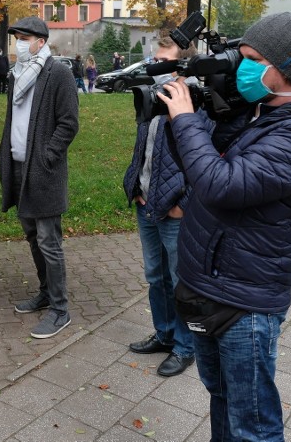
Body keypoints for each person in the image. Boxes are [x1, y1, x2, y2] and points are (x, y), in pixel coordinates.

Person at [156, 12, 291, 441]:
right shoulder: (259, 114)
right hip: (211, 287)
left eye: (251, 58)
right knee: (222, 397)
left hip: (245, 302)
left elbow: (220, 185)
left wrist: (185, 119)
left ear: (284, 68)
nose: (241, 67)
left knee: (254, 425)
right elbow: (199, 165)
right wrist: (196, 112)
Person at [123, 37, 204, 378]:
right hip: (147, 203)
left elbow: (204, 161)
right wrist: (136, 188)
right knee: (156, 277)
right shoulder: (153, 97)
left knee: (179, 281)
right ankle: (165, 333)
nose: (154, 67)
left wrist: (184, 204)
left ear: (182, 66)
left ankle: (186, 348)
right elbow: (145, 150)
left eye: (163, 61)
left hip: (175, 210)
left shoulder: (197, 104)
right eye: (154, 59)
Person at [0, 16, 78, 339]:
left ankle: (60, 309)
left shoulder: (57, 73)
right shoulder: (17, 75)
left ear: (40, 42)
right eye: (16, 37)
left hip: (42, 170)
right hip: (18, 167)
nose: (19, 42)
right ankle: (46, 292)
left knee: (49, 240)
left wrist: (47, 156)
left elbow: (69, 123)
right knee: (32, 235)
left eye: (24, 37)